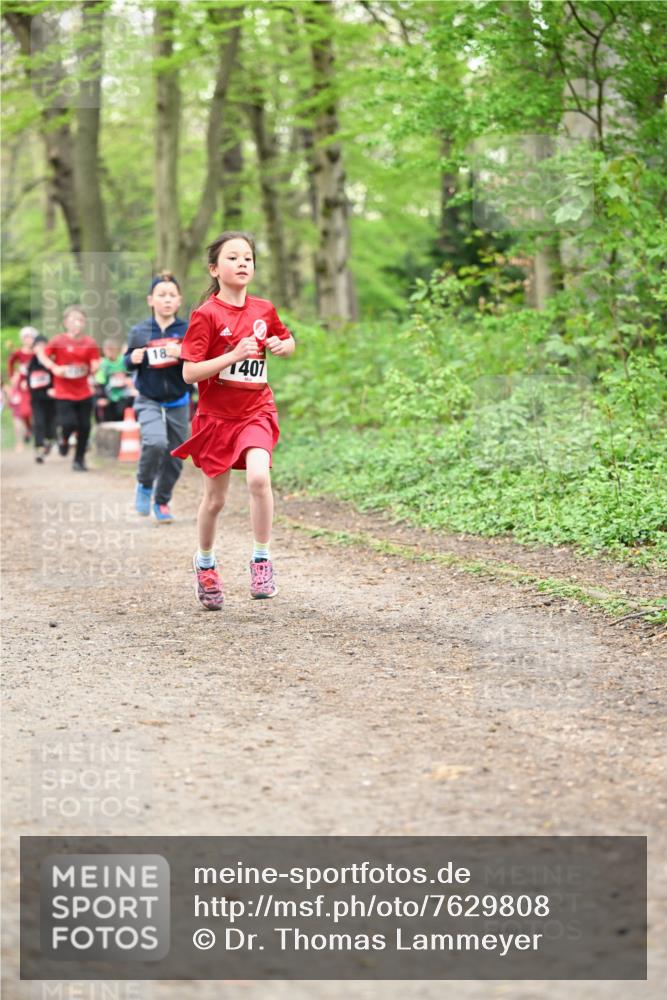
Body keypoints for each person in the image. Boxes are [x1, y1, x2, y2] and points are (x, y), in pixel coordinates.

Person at [173, 231, 296, 610]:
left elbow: (288, 341)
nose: (243, 263)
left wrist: (282, 346)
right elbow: (190, 374)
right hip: (216, 419)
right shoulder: (206, 315)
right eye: (233, 257)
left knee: (260, 477)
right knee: (215, 500)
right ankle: (206, 563)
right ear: (215, 268)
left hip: (256, 409)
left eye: (248, 257)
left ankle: (261, 559)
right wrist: (229, 356)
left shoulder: (263, 309)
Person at [123, 271, 189, 522]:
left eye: (172, 295)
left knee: (177, 454)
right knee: (155, 442)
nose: (167, 299)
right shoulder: (140, 331)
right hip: (148, 398)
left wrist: (182, 351)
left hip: (179, 399)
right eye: (162, 295)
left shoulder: (187, 329)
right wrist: (133, 358)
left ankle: (162, 502)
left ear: (180, 300)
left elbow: (199, 357)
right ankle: (144, 484)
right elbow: (126, 363)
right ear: (151, 300)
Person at [36, 306, 100, 471]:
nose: (76, 323)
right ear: (65, 323)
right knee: (69, 423)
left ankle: (78, 460)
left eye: (80, 320)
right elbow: (42, 355)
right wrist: (54, 367)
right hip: (64, 391)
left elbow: (95, 361)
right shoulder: (58, 341)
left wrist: (94, 367)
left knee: (85, 426)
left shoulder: (89, 342)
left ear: (84, 323)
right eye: (73, 320)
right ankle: (63, 439)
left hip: (84, 391)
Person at [27, 335, 57, 462]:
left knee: (51, 422)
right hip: (37, 399)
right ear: (33, 348)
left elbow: (56, 376)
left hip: (51, 398)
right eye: (38, 346)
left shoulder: (52, 361)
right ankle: (39, 448)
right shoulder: (31, 363)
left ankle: (50, 440)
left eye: (43, 346)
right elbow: (29, 379)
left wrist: (54, 388)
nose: (40, 348)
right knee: (38, 422)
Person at [7, 326, 36, 450]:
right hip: (21, 387)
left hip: (34, 385)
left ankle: (31, 431)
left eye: (30, 337)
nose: (28, 339)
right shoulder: (18, 352)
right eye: (26, 337)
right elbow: (10, 363)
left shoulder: (36, 353)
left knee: (32, 411)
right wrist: (13, 376)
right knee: (21, 412)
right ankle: (23, 437)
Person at [95, 338, 135, 422]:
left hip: (124, 395)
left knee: (122, 414)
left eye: (110, 349)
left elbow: (131, 376)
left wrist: (129, 383)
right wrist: (101, 397)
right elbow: (100, 381)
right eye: (105, 350)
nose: (107, 352)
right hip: (110, 396)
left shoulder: (123, 361)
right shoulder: (104, 364)